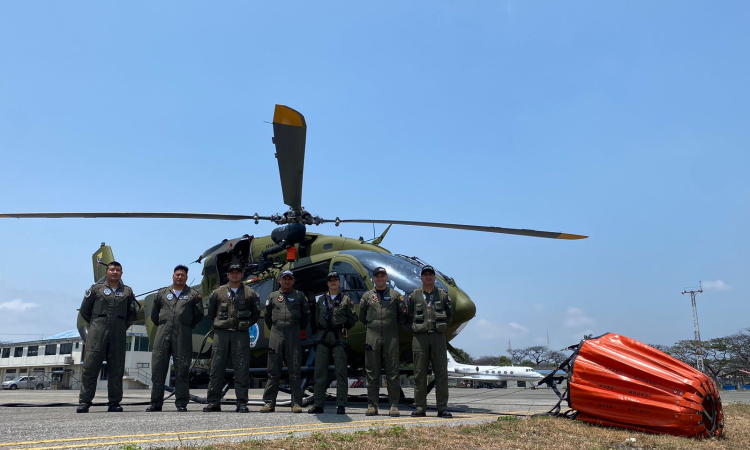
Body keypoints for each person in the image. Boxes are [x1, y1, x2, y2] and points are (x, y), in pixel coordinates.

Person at [76, 261, 139, 413]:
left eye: (118, 270)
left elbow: (132, 313)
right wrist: (97, 324)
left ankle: (114, 402)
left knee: (116, 368)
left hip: (118, 331)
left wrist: (120, 326)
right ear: (107, 272)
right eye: (112, 270)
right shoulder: (96, 289)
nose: (115, 272)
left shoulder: (127, 292)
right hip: (97, 330)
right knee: (91, 367)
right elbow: (85, 311)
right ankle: (85, 401)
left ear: (121, 274)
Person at [203, 264, 261, 413]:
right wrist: (220, 324)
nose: (235, 275)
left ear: (242, 275)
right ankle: (213, 402)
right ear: (228, 275)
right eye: (232, 272)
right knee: (216, 368)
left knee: (241, 368)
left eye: (238, 272)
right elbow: (211, 313)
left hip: (240, 333)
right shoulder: (218, 292)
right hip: (221, 333)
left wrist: (245, 324)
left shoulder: (250, 293)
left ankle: (241, 402)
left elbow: (255, 314)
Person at [147, 265, 205, 412]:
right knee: (158, 368)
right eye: (177, 274)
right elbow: (154, 315)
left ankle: (181, 403)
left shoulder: (193, 295)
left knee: (182, 369)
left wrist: (184, 325)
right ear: (173, 276)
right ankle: (156, 403)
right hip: (163, 333)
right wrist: (164, 324)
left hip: (182, 334)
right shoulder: (162, 293)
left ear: (186, 277)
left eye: (182, 275)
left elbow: (199, 315)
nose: (179, 277)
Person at [359, 266, 407, 417]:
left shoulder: (395, 295)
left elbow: (402, 316)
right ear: (373, 278)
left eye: (382, 276)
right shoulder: (367, 297)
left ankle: (393, 405)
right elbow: (362, 317)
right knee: (372, 372)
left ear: (387, 278)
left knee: (392, 372)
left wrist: (389, 326)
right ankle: (372, 405)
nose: (380, 278)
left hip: (391, 336)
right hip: (372, 335)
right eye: (377, 276)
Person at [308, 271, 358, 415]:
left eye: (335, 280)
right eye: (330, 280)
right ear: (327, 283)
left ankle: (341, 404)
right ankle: (318, 404)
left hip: (338, 337)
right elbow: (316, 318)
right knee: (319, 372)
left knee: (341, 371)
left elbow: (352, 319)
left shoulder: (346, 300)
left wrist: (343, 329)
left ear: (339, 282)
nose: (333, 282)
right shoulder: (321, 300)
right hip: (323, 336)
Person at [260, 270, 310, 413]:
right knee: (273, 369)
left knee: (294, 368)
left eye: (290, 279)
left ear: (293, 281)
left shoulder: (300, 296)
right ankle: (269, 402)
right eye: (284, 279)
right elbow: (268, 317)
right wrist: (276, 327)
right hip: (276, 332)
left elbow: (305, 317)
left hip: (293, 332)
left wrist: (296, 327)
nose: (287, 281)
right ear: (280, 280)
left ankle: (296, 403)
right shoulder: (273, 296)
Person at [407, 265, 453, 418]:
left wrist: (441, 327)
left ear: (434, 277)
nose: (428, 277)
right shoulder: (414, 296)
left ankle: (442, 408)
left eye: (430, 274)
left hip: (438, 337)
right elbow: (408, 315)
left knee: (441, 373)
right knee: (419, 374)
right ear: (421, 278)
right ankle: (420, 407)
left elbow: (450, 314)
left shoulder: (443, 295)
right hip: (420, 337)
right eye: (425, 274)